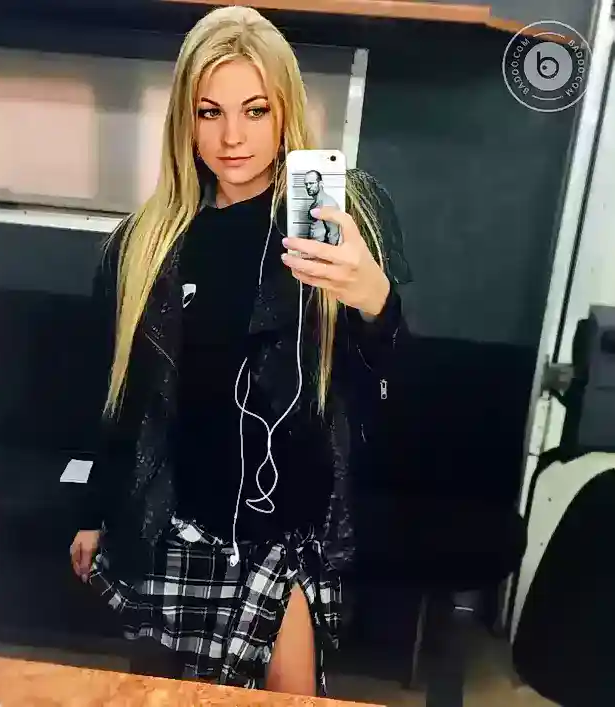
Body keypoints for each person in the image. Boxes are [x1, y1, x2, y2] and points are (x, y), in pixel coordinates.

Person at [69, 5, 410, 697]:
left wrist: (376, 301)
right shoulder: (145, 244)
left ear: (285, 111)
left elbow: (390, 388)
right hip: (174, 521)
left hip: (290, 533)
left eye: (255, 110)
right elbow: (122, 398)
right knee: (161, 695)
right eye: (210, 112)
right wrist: (90, 511)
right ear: (184, 120)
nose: (232, 137)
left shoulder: (348, 217)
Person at [304, 170, 341, 245]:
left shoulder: (328, 204)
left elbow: (333, 235)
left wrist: (327, 252)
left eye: (311, 183)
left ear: (320, 183)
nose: (308, 187)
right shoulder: (315, 204)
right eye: (306, 184)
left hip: (321, 249)